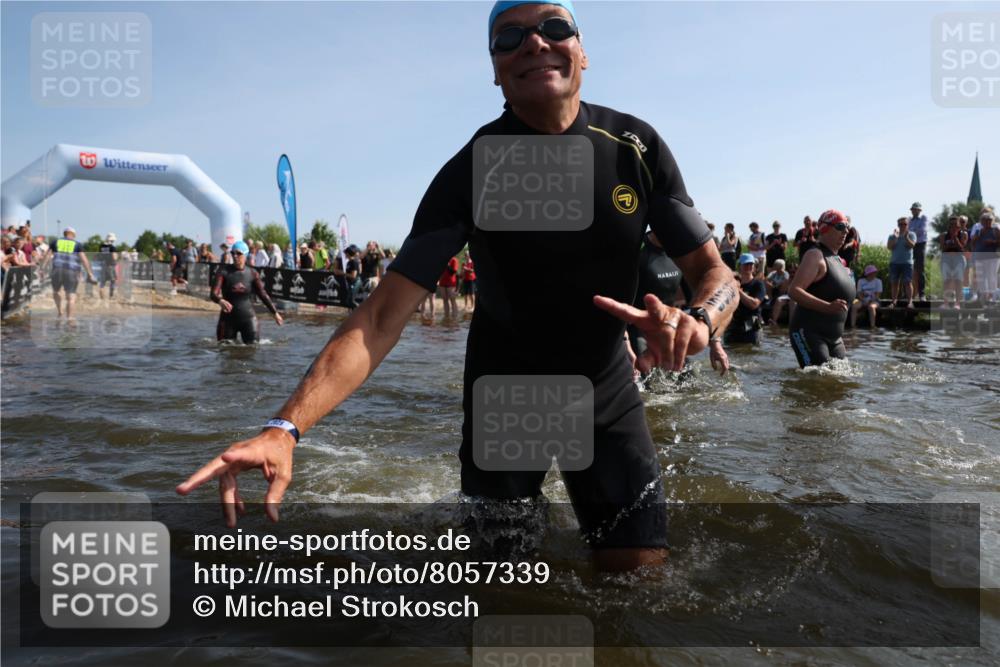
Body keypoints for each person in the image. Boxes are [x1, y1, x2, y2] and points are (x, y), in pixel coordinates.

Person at [178, 0, 738, 572]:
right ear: (495, 69)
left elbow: (715, 273)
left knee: (639, 576)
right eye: (509, 37)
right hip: (507, 392)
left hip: (605, 384)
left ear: (583, 50)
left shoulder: (634, 148)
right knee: (504, 582)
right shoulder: (473, 171)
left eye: (554, 27)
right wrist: (284, 428)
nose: (534, 43)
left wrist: (699, 318)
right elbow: (379, 317)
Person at [624, 231, 728, 376]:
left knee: (691, 378)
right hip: (637, 331)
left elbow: (696, 301)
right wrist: (625, 343)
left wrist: (715, 342)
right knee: (645, 383)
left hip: (669, 327)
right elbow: (620, 299)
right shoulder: (637, 249)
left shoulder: (680, 254)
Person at [787, 210, 855, 367]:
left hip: (835, 338)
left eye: (847, 227)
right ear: (824, 228)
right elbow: (794, 290)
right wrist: (827, 307)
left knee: (841, 382)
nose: (845, 231)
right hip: (809, 333)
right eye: (840, 226)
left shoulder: (839, 261)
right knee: (816, 381)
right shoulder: (815, 255)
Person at [211, 240, 283, 343]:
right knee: (224, 352)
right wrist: (220, 301)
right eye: (233, 253)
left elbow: (262, 294)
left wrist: (275, 313)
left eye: (238, 253)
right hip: (227, 321)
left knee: (252, 350)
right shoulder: (223, 272)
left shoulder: (252, 273)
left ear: (245, 255)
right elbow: (213, 294)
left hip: (248, 319)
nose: (235, 256)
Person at [47, 226, 96, 320]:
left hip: (57, 270)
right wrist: (89, 273)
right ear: (73, 234)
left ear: (64, 233)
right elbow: (84, 260)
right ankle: (69, 319)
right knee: (71, 296)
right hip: (71, 271)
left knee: (56, 291)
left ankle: (60, 312)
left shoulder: (55, 242)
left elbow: (47, 256)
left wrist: (42, 268)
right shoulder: (77, 244)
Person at [724, 254, 766, 345]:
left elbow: (754, 304)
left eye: (751, 264)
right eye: (746, 264)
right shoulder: (732, 283)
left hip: (751, 327)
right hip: (734, 326)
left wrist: (739, 291)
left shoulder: (758, 284)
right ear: (740, 266)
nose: (749, 267)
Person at [887, 216, 917, 309]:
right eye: (901, 224)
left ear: (908, 225)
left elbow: (912, 245)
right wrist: (896, 238)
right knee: (894, 283)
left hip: (907, 263)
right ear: (898, 225)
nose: (902, 226)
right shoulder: (892, 236)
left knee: (908, 282)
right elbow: (889, 247)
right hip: (894, 262)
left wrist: (906, 237)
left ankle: (910, 302)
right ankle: (894, 302)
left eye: (904, 224)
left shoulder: (911, 234)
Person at [970, 210, 999, 304]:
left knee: (992, 276)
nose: (988, 222)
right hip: (980, 257)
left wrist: (993, 242)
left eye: (990, 220)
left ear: (992, 220)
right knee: (980, 277)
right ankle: (983, 296)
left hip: (992, 257)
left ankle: (991, 296)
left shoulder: (996, 230)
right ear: (982, 221)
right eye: (985, 220)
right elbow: (972, 242)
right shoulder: (978, 231)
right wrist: (979, 235)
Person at [939, 215, 967, 309]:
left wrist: (955, 239)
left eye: (955, 225)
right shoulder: (943, 235)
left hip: (959, 258)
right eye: (951, 225)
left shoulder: (963, 234)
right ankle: (946, 303)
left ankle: (957, 304)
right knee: (946, 281)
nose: (953, 227)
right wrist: (951, 241)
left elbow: (962, 248)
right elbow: (943, 248)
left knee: (958, 281)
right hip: (946, 258)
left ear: (959, 226)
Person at [850, 264, 883, 329]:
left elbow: (878, 294)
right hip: (862, 300)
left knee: (871, 307)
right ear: (868, 274)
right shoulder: (861, 281)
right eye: (872, 273)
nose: (874, 274)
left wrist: (871, 300)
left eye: (874, 273)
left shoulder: (878, 281)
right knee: (854, 307)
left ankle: (872, 326)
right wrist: (863, 300)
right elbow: (859, 293)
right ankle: (853, 325)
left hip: (874, 300)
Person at [908, 202, 928, 301]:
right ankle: (909, 294)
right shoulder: (909, 220)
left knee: (920, 270)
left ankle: (922, 294)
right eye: (913, 209)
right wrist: (913, 231)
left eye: (916, 209)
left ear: (920, 210)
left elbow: (921, 231)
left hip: (920, 245)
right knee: (909, 270)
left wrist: (911, 231)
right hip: (910, 245)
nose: (914, 211)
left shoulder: (923, 218)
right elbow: (909, 232)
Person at [98, 233, 119, 299]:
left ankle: (102, 293)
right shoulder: (112, 247)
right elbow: (114, 257)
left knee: (103, 281)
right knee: (113, 280)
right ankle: (111, 295)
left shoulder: (101, 246)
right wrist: (117, 257)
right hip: (110, 265)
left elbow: (100, 255)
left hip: (103, 265)